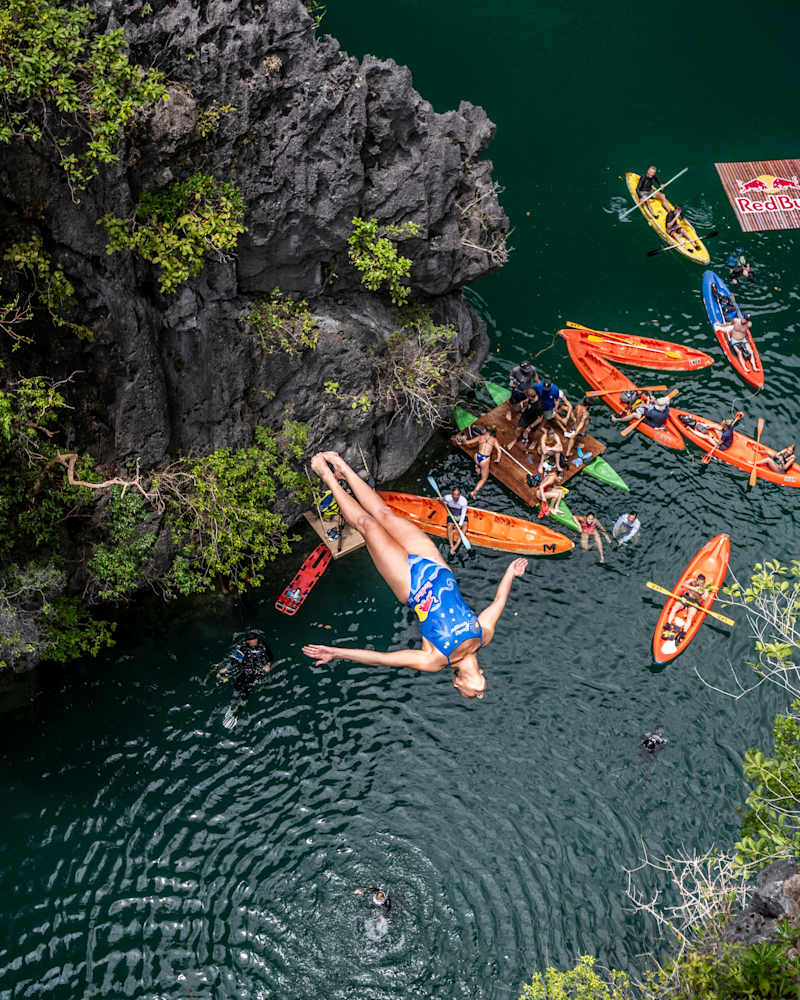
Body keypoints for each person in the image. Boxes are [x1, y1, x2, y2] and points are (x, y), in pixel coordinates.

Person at [302, 452, 528, 699]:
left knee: (368, 525)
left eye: (471, 695)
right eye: (478, 693)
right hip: (437, 567)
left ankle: (327, 476)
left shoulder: (435, 660)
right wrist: (510, 574)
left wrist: (336, 653)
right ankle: (342, 467)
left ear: (457, 684)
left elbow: (383, 659)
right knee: (384, 514)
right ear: (481, 674)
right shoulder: (483, 637)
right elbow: (498, 603)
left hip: (410, 583)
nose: (479, 695)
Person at [221, 631, 274, 729]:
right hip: (244, 671)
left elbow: (271, 657)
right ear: (248, 641)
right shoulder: (243, 648)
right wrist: (226, 668)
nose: (254, 641)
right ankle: (232, 706)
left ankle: (238, 712)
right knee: (237, 687)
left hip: (256, 672)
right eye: (252, 640)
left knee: (246, 692)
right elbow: (234, 660)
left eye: (255, 639)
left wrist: (268, 665)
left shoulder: (263, 646)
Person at [459, 426, 502, 498]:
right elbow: (499, 451)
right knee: (484, 478)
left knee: (478, 463)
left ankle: (477, 467)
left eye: (483, 429)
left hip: (477, 456)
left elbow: (467, 442)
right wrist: (498, 459)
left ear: (486, 431)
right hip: (484, 459)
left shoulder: (480, 437)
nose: (482, 430)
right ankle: (474, 492)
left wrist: (462, 439)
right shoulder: (494, 440)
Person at [663, 573, 706, 642]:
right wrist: (694, 588)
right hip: (686, 597)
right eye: (700, 582)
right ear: (697, 580)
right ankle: (668, 624)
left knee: (690, 616)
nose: (701, 584)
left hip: (694, 602)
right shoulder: (692, 581)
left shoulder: (704, 588)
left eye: (702, 583)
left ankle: (683, 633)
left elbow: (705, 598)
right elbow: (683, 584)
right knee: (674, 608)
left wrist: (702, 593)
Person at [442, 487, 468, 556]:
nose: (456, 496)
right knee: (449, 526)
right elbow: (442, 499)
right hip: (452, 514)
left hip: (461, 515)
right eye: (454, 494)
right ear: (451, 494)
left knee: (464, 528)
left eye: (457, 495)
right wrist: (438, 499)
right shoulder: (447, 497)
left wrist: (460, 524)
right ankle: (451, 545)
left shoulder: (464, 501)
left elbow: (463, 513)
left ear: (460, 495)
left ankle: (455, 547)